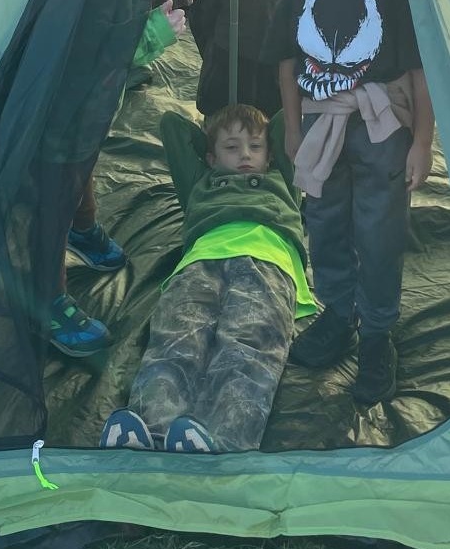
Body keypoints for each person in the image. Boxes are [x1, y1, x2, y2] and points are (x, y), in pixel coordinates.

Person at [263, 0, 434, 406]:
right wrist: (292, 131)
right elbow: (287, 61)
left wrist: (422, 143)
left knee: (379, 233)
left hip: (381, 129)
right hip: (319, 127)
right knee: (325, 223)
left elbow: (418, 68)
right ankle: (337, 315)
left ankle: (378, 333)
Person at [47, 0, 233, 357]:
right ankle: (47, 297)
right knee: (53, 193)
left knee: (83, 162)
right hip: (62, 107)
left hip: (91, 110)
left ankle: (82, 230)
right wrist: (152, 33)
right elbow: (91, 44)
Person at [99, 104, 315, 452]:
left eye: (255, 147)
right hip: (201, 260)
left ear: (271, 153)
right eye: (232, 147)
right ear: (211, 157)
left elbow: (288, 120)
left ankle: (225, 439)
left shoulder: (282, 179)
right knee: (177, 337)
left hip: (267, 260)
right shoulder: (202, 182)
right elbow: (171, 126)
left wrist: (253, 133)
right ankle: (152, 428)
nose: (245, 154)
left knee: (248, 344)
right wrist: (214, 138)